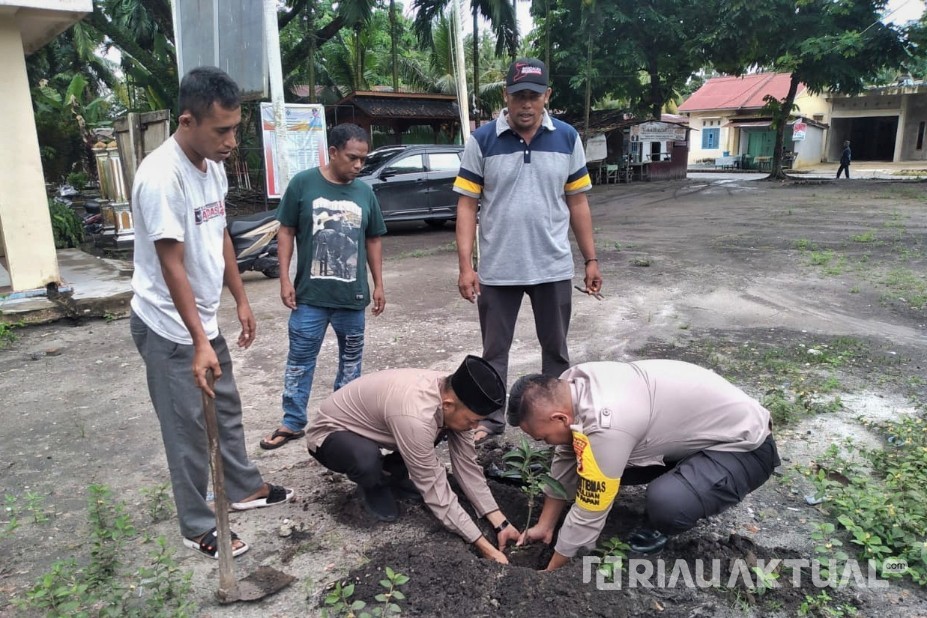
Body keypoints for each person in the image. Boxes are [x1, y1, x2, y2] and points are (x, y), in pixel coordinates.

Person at [129, 66, 293, 560]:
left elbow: (219, 233)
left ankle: (242, 488)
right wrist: (199, 340)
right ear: (187, 120)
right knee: (186, 428)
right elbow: (171, 262)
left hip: (202, 319)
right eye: (221, 130)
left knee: (225, 409)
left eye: (235, 128)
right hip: (167, 326)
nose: (231, 141)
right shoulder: (161, 177)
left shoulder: (212, 166)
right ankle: (197, 523)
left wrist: (240, 299)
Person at [453, 57, 602, 444]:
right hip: (499, 269)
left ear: (546, 97)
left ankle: (557, 420)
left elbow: (578, 203)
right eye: (518, 95)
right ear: (506, 95)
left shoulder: (568, 137)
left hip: (552, 267)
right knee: (494, 353)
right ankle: (493, 420)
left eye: (534, 96)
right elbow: (467, 205)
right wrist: (466, 266)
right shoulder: (482, 139)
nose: (526, 104)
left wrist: (591, 258)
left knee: (556, 352)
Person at [507, 359, 779, 571]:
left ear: (559, 418)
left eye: (542, 437)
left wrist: (554, 568)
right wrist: (545, 525)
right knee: (593, 459)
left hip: (746, 448)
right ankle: (689, 476)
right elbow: (567, 453)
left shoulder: (607, 421)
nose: (545, 443)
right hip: (693, 437)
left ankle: (676, 509)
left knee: (667, 501)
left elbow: (592, 506)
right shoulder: (571, 385)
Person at [306, 355, 522, 564]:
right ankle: (373, 484)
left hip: (386, 427)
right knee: (366, 459)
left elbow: (466, 466)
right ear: (448, 404)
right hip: (331, 432)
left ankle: (394, 474)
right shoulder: (418, 415)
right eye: (474, 421)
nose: (476, 428)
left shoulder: (455, 395)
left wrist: (500, 523)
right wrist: (485, 547)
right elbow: (434, 488)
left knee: (437, 430)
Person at [260, 123, 386, 450]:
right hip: (310, 297)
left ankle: (342, 422)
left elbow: (373, 239)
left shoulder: (364, 192)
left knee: (350, 364)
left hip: (352, 297)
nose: (359, 165)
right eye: (352, 158)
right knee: (300, 360)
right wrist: (285, 278)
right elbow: (285, 231)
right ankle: (292, 422)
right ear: (333, 152)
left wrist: (378, 284)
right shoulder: (303, 184)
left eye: (363, 159)